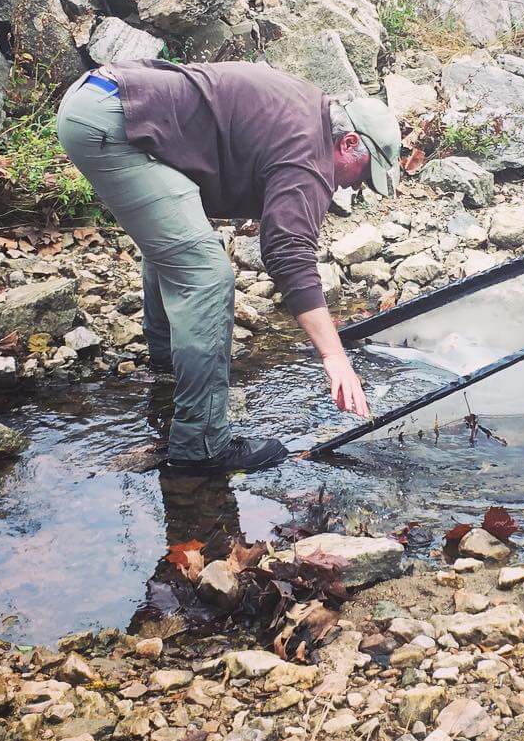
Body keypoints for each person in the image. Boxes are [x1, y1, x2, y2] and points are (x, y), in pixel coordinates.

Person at [56, 59, 401, 474]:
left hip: (102, 98)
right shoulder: (310, 151)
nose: (355, 185)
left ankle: (167, 371)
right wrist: (334, 356)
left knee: (179, 245)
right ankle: (202, 446)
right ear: (348, 143)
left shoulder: (306, 111)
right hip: (114, 122)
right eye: (363, 174)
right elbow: (288, 251)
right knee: (207, 276)